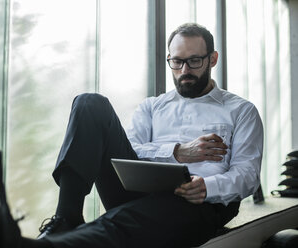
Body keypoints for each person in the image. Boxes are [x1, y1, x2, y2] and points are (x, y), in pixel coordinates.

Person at [30, 22, 263, 248]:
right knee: (90, 103)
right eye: (177, 62)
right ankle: (65, 218)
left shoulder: (241, 111)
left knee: (116, 226)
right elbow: (129, 153)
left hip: (198, 203)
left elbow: (247, 174)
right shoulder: (152, 107)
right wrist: (178, 152)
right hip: (138, 191)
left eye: (194, 61)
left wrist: (207, 187)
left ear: (212, 59)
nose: (184, 70)